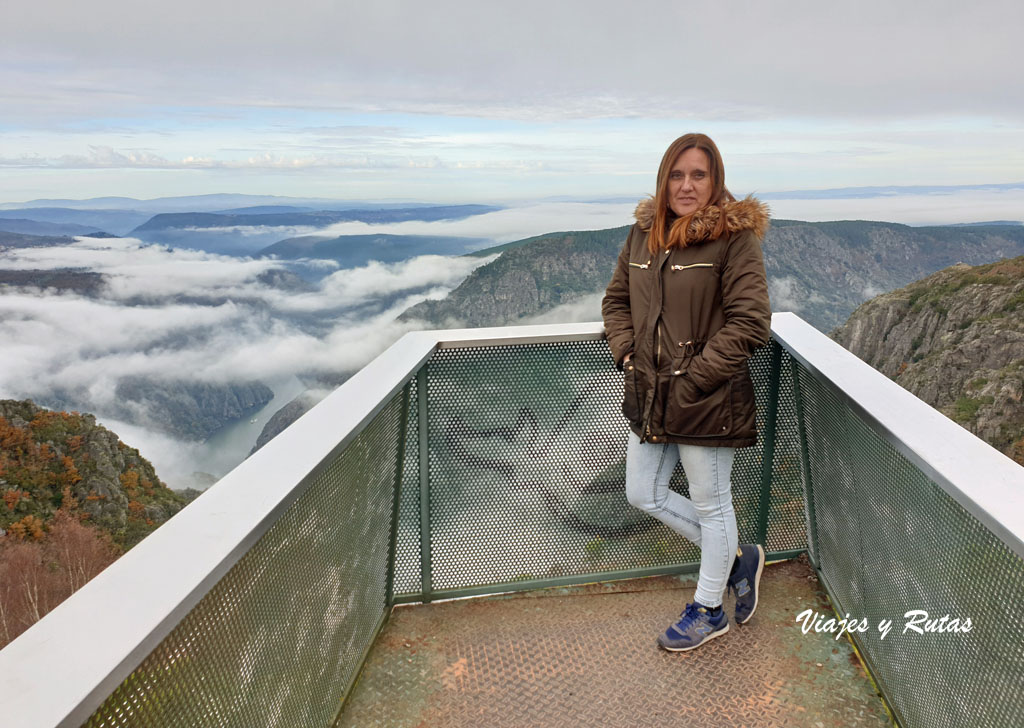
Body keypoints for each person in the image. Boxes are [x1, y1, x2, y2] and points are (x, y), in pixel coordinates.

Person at [601, 133, 771, 652]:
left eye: (698, 175)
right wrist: (628, 353)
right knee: (643, 493)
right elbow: (617, 301)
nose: (686, 185)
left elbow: (750, 322)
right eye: (677, 174)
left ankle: (709, 608)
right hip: (650, 394)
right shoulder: (643, 234)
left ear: (715, 180)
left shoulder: (733, 239)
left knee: (712, 504)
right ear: (663, 179)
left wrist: (694, 379)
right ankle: (738, 559)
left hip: (706, 399)